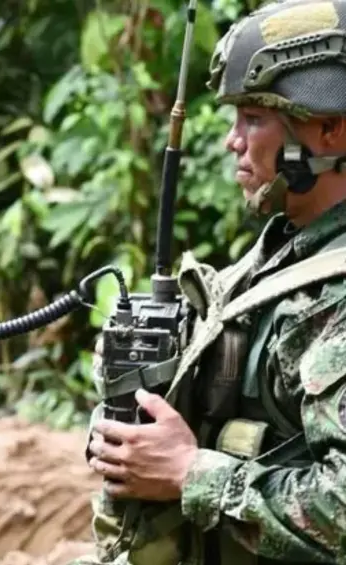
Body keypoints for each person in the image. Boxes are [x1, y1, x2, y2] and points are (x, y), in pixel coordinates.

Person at [74, 1, 346, 564]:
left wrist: (190, 473)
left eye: (254, 118)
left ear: (329, 129)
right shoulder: (277, 261)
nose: (232, 140)